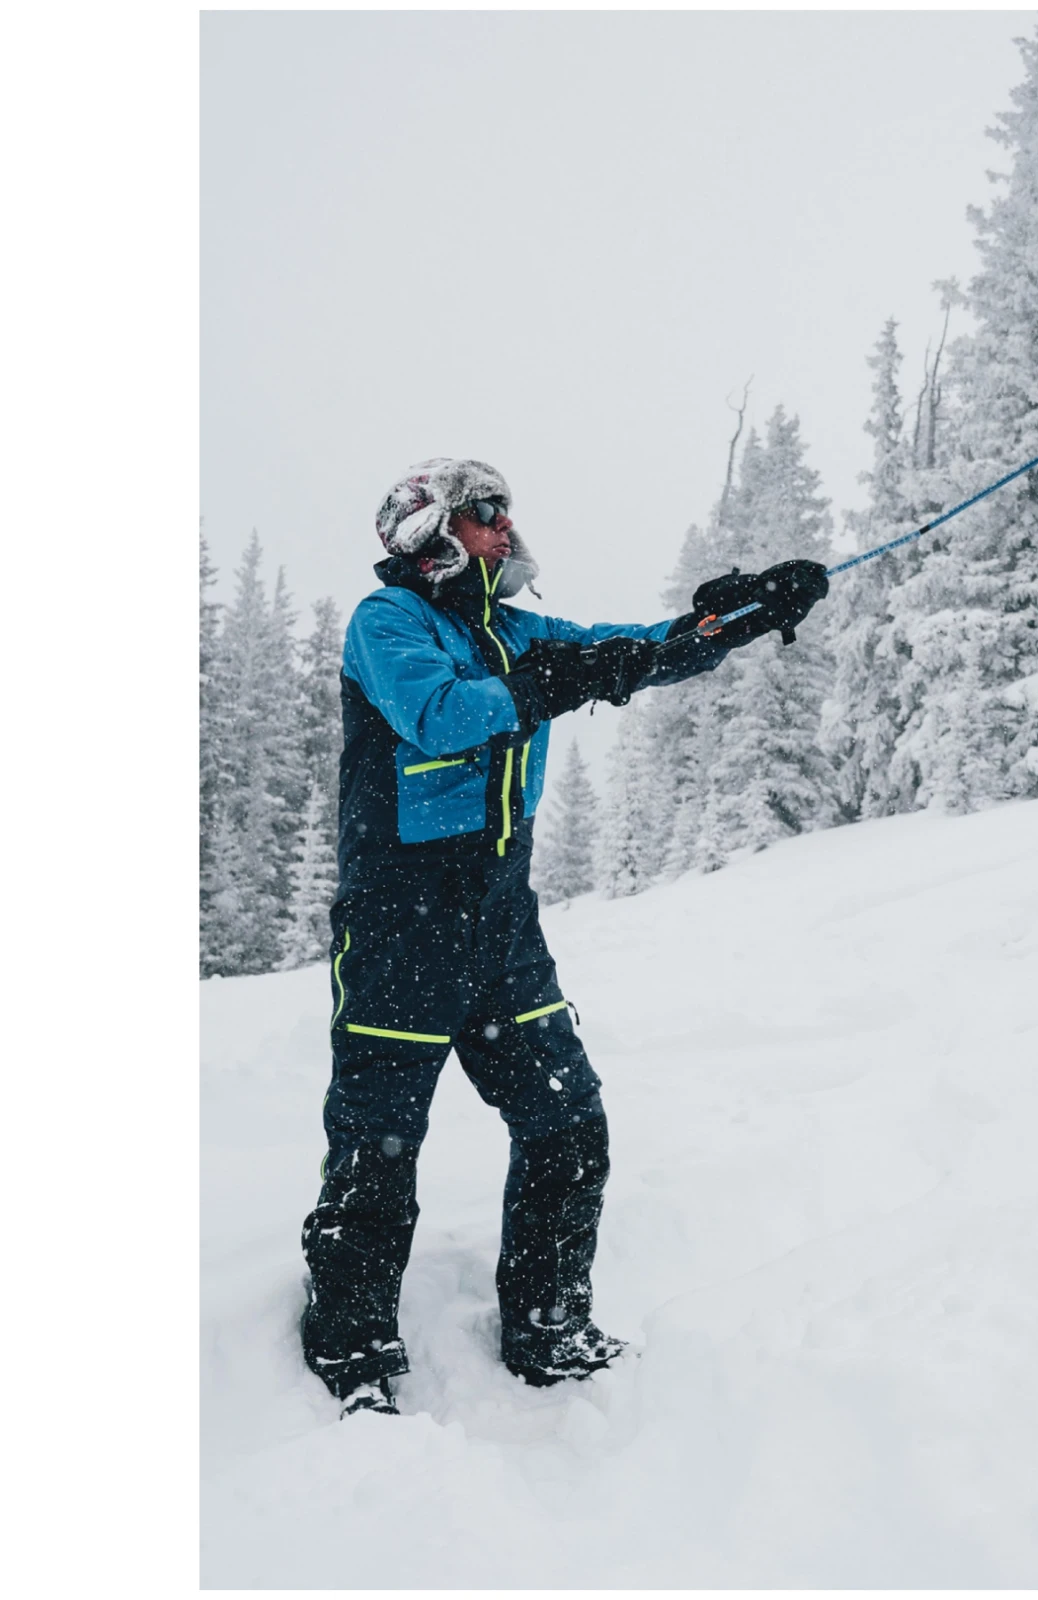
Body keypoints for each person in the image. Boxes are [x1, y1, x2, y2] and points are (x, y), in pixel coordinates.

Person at [300, 457, 828, 1418]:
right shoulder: (389, 623)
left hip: (501, 929)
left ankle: (548, 1326)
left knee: (567, 1123)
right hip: (399, 931)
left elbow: (636, 650)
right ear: (432, 532)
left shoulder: (517, 631)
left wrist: (736, 617)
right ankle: (353, 1346)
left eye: (506, 510)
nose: (506, 526)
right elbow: (441, 717)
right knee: (378, 1148)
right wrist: (558, 680)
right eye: (484, 511)